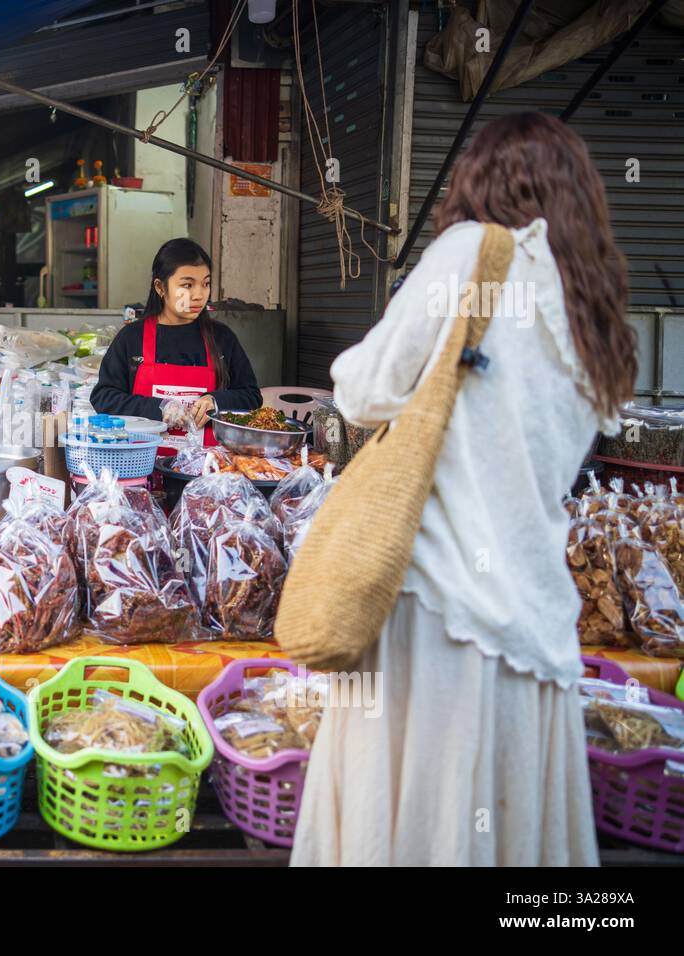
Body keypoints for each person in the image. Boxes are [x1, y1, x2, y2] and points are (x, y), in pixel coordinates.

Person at [290, 113, 637, 867]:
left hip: (433, 608)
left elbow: (363, 387)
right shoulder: (594, 311)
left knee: (412, 822)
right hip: (534, 625)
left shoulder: (475, 252)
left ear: (481, 183)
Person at [91, 238, 261, 444]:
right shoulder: (132, 337)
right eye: (187, 285)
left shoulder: (221, 338)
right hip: (141, 465)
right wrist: (160, 407)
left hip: (207, 468)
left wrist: (216, 401)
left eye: (205, 284)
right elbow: (104, 397)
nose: (199, 295)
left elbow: (251, 396)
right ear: (160, 288)